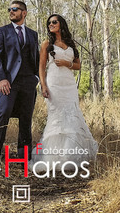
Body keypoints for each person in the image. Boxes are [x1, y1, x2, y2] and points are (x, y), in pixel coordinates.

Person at [34, 14, 98, 165]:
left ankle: (69, 157)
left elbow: (78, 65)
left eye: (54, 22)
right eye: (49, 23)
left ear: (61, 24)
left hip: (69, 85)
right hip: (54, 84)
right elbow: (41, 67)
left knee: (72, 116)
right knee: (56, 118)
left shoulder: (71, 43)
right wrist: (43, 85)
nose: (50, 24)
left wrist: (66, 63)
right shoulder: (46, 44)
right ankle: (52, 157)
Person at [0, 0, 40, 161]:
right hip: (8, 83)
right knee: (3, 114)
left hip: (28, 83)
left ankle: (24, 157)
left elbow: (36, 58)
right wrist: (2, 78)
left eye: (15, 9)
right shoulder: (2, 31)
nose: (11, 11)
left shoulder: (33, 34)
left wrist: (36, 77)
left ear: (24, 13)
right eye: (9, 9)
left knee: (26, 119)